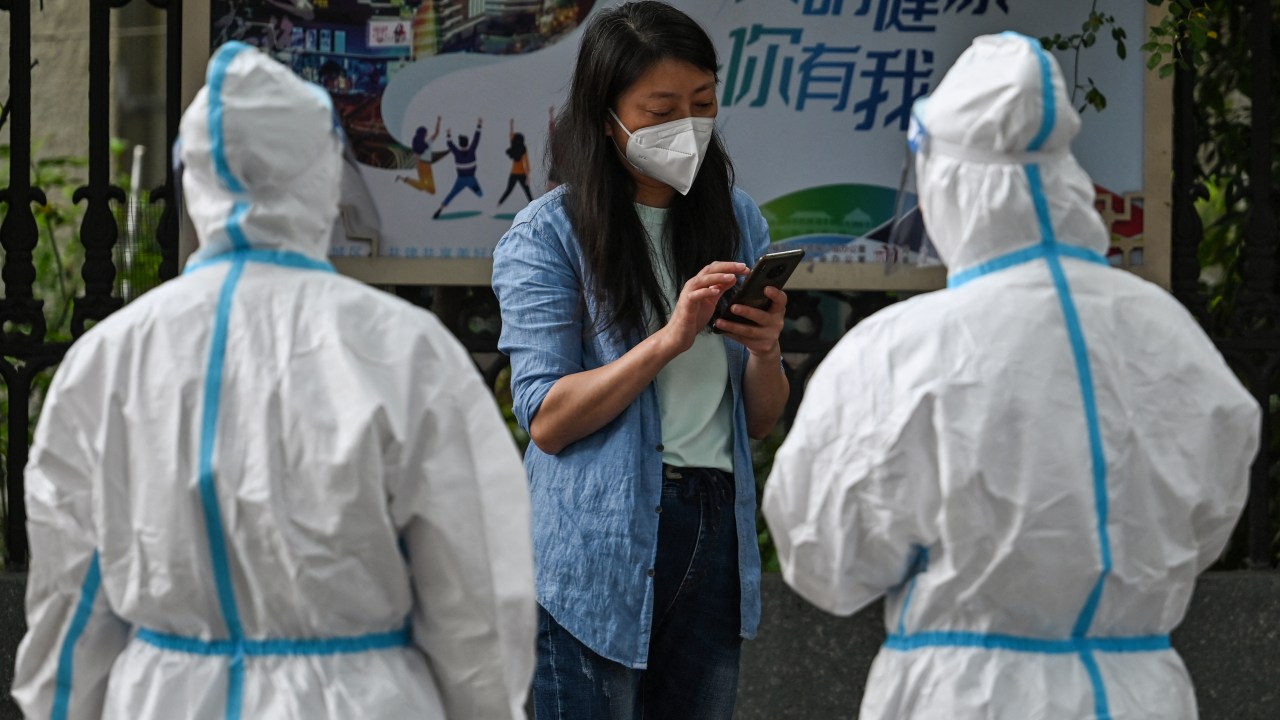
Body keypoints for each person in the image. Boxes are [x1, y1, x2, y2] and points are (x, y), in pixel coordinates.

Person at [12, 42, 535, 719]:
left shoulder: (108, 358)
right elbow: (475, 593)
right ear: (323, 173)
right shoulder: (403, 350)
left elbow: (69, 597)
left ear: (192, 179)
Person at [762, 32, 1260, 720]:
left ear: (948, 181)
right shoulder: (1170, 335)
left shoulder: (901, 352)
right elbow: (1208, 520)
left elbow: (827, 563)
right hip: (1139, 691)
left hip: (964, 696)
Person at [491, 3, 789, 718]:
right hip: (598, 539)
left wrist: (766, 350)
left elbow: (758, 419)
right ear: (605, 116)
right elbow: (548, 420)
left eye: (702, 104)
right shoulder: (547, 236)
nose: (686, 126)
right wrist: (669, 337)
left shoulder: (736, 217)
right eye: (660, 109)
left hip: (714, 525)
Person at [433, 118, 483, 219]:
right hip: (471, 179)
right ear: (467, 143)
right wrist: (479, 125)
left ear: (460, 144)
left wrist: (448, 135)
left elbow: (450, 144)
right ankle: (475, 189)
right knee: (480, 194)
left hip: (460, 179)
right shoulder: (472, 150)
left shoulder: (457, 152)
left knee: (451, 195)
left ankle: (440, 209)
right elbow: (476, 139)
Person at [397, 116, 448, 194]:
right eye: (426, 132)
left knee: (432, 191)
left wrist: (438, 121)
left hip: (428, 165)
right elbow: (417, 158)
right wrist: (419, 167)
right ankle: (406, 179)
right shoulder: (419, 145)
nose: (427, 133)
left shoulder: (429, 142)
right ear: (423, 133)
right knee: (422, 187)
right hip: (422, 165)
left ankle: (406, 179)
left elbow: (437, 133)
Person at [497, 118, 533, 207]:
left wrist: (528, 177)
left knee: (525, 191)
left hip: (519, 174)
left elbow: (526, 163)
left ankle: (499, 204)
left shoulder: (520, 149)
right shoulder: (519, 148)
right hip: (517, 174)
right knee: (512, 190)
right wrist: (511, 124)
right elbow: (511, 136)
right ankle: (499, 204)